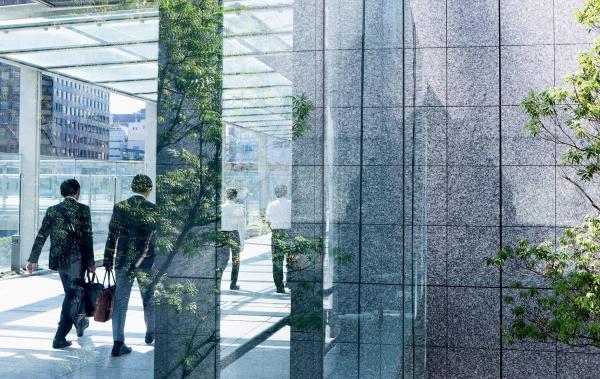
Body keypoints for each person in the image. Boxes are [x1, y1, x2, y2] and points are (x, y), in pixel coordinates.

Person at [27, 179, 96, 349]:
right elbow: (88, 238)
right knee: (72, 296)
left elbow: (42, 235)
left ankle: (80, 323)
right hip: (76, 259)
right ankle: (60, 336)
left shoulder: (53, 210)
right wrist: (91, 263)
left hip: (59, 260)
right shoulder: (83, 210)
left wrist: (32, 259)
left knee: (73, 292)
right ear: (77, 191)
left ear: (61, 193)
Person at [104, 174, 158, 357]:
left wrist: (107, 261)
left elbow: (112, 236)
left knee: (120, 302)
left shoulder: (120, 207)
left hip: (122, 261)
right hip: (146, 262)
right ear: (148, 190)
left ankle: (118, 343)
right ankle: (150, 332)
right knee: (149, 298)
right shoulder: (153, 209)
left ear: (133, 188)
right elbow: (156, 240)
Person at [265, 184, 291, 294]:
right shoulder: (291, 204)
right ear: (286, 192)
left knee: (277, 261)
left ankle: (279, 287)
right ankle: (290, 283)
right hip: (289, 233)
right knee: (292, 260)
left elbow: (268, 221)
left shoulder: (271, 205)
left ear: (276, 193)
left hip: (276, 234)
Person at [220, 188, 245, 290]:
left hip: (223, 235)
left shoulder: (221, 207)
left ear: (226, 196)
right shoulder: (238, 208)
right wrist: (242, 243)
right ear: (235, 196)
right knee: (236, 260)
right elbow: (241, 227)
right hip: (234, 234)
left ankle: (217, 283)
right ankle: (233, 284)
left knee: (221, 260)